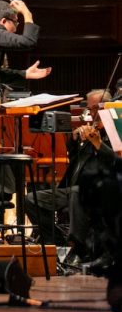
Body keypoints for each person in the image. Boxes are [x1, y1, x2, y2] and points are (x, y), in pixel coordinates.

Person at [25, 89, 116, 266]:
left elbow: (115, 161)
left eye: (94, 109)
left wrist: (99, 144)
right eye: (89, 109)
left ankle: (79, 250)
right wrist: (74, 141)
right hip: (72, 189)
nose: (91, 113)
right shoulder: (91, 131)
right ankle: (58, 244)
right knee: (31, 199)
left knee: (76, 192)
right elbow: (75, 163)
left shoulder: (113, 132)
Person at [0, 0, 50, 87]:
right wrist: (27, 14)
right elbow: (28, 41)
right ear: (3, 21)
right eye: (15, 23)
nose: (16, 29)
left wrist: (25, 74)